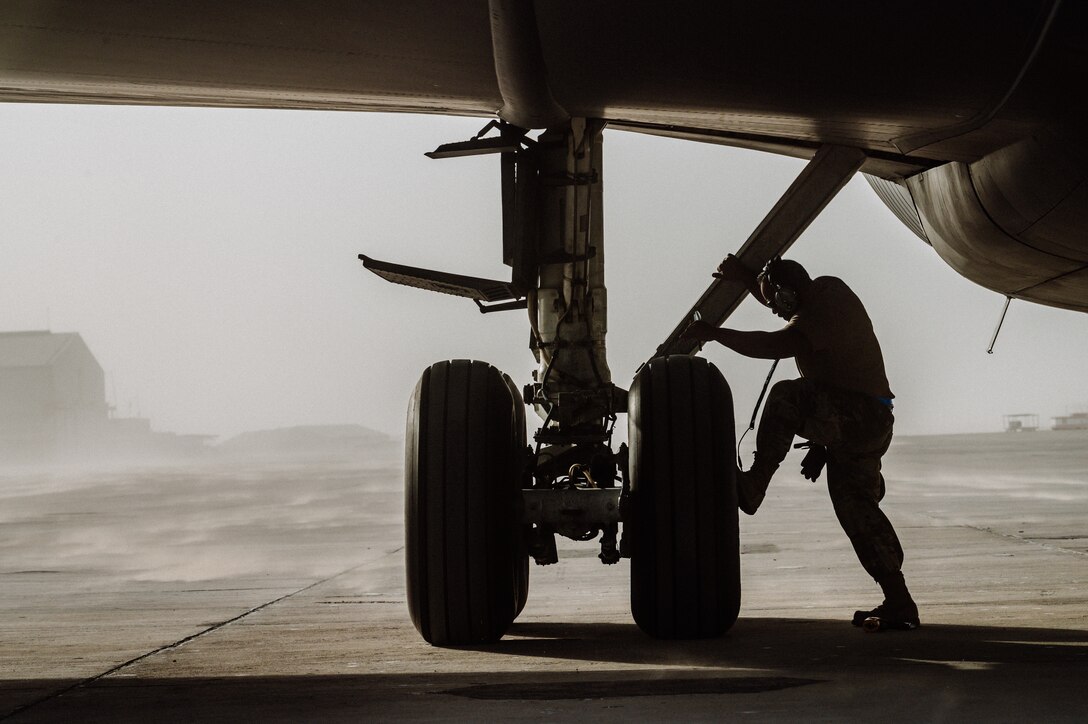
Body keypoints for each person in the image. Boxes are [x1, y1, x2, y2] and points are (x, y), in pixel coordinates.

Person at [681, 254, 919, 629]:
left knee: (786, 397)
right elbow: (798, 322)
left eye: (776, 303)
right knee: (857, 511)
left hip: (860, 416)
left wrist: (716, 334)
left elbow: (777, 344)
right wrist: (746, 277)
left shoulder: (827, 296)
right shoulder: (815, 300)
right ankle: (899, 601)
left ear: (788, 294)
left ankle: (755, 484)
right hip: (862, 422)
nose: (774, 312)